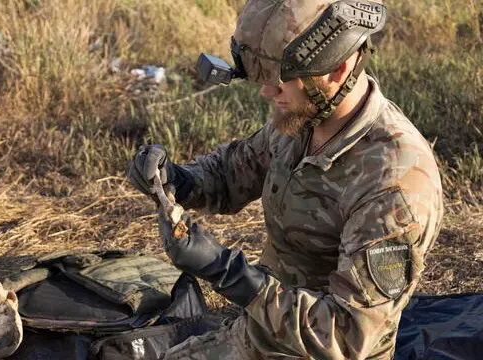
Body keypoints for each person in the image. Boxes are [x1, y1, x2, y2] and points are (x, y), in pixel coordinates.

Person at [127, 0, 444, 359]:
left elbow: (346, 336)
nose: (266, 92)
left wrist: (227, 272)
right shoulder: (305, 116)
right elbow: (233, 172)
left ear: (336, 70)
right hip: (262, 328)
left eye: (280, 82)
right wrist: (178, 180)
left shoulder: (394, 184)